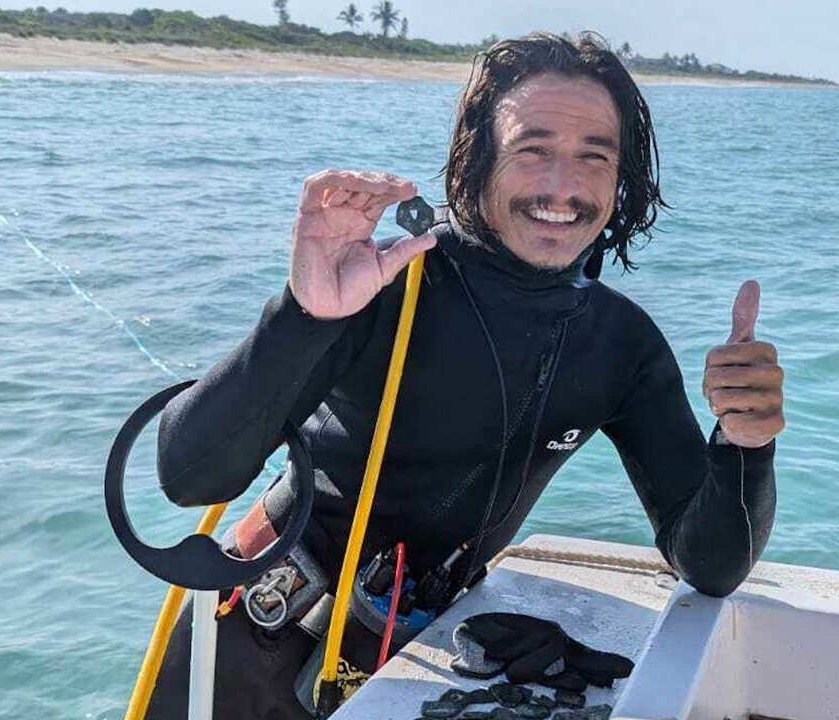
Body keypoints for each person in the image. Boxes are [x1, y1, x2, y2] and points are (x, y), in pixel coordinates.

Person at [146, 31, 785, 719]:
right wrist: (303, 316)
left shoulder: (622, 346)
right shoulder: (385, 284)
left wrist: (745, 445)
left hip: (408, 658)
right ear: (477, 158)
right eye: (532, 149)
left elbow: (709, 566)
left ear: (620, 177)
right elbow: (190, 476)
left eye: (594, 156)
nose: (563, 186)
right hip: (251, 640)